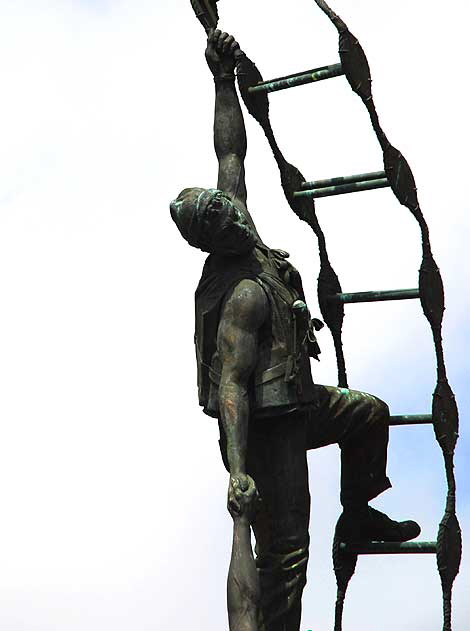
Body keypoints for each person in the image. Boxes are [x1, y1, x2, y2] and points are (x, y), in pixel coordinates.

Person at [170, 29, 420, 631]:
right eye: (218, 214)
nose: (229, 209)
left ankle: (358, 512)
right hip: (268, 432)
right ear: (213, 238)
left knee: (368, 414)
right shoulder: (242, 295)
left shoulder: (241, 226)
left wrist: (222, 79)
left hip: (300, 400)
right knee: (286, 556)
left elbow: (232, 153)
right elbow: (230, 384)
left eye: (222, 202)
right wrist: (237, 471)